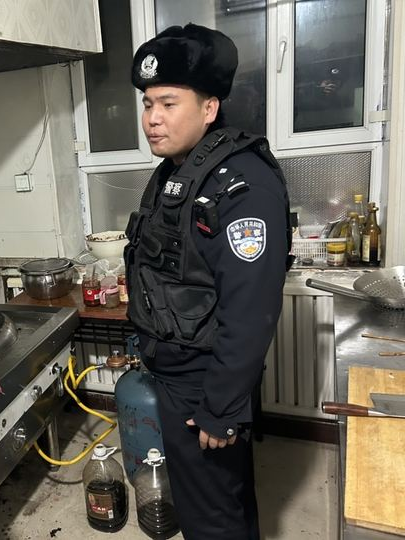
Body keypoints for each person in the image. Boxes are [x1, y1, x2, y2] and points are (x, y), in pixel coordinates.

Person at [124, 24, 293, 539]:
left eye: (168, 103)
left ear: (210, 108)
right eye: (147, 103)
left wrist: (220, 408)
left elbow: (251, 311)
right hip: (178, 374)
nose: (152, 118)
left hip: (204, 384)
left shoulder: (243, 185)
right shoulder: (179, 170)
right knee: (220, 498)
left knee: (210, 517)